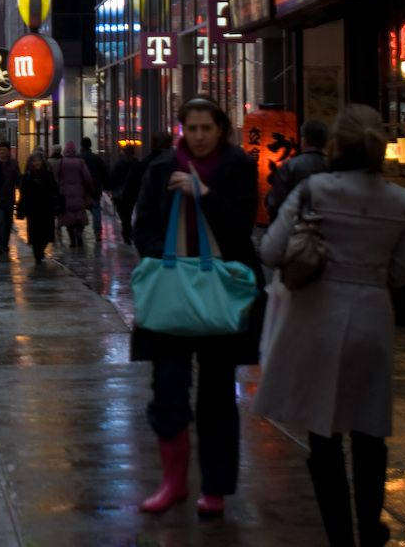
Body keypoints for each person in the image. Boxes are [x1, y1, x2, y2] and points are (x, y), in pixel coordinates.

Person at [255, 105, 405, 547]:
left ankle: (339, 536)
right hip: (373, 318)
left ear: (335, 144)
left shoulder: (313, 191)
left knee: (324, 435)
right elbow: (403, 274)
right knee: (370, 431)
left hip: (317, 317)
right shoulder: (403, 201)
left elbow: (271, 251)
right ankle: (370, 527)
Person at [132, 96, 264, 521]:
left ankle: (215, 487)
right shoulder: (160, 168)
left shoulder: (239, 167)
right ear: (182, 131)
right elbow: (143, 225)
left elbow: (241, 228)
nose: (200, 136)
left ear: (221, 130)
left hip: (217, 294)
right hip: (172, 292)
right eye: (193, 129)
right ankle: (173, 482)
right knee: (168, 390)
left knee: (217, 395)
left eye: (208, 128)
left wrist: (204, 193)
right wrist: (161, 256)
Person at [265, 119, 330, 223]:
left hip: (295, 227)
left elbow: (276, 202)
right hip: (326, 227)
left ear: (303, 140)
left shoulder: (289, 166)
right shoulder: (332, 166)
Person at [18, 151, 59, 264]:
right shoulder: (27, 176)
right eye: (34, 161)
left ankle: (40, 251)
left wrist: (56, 204)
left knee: (46, 233)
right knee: (35, 233)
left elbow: (54, 190)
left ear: (42, 162)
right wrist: (22, 207)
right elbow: (24, 193)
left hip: (46, 208)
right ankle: (37, 254)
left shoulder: (48, 174)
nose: (36, 163)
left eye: (38, 160)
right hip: (33, 209)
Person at [57, 142, 94, 248]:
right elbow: (87, 177)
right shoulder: (80, 162)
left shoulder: (62, 162)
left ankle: (72, 239)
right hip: (79, 192)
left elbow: (58, 177)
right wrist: (89, 188)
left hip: (66, 192)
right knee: (79, 214)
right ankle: (79, 233)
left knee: (68, 216)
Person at [0, 142, 22, 256]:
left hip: (9, 198)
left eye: (4, 150)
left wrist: (21, 192)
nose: (2, 152)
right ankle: (0, 244)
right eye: (0, 150)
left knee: (7, 223)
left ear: (8, 151)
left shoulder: (13, 164)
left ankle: (5, 244)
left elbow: (18, 180)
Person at [82, 137, 112, 240]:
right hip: (95, 188)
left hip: (82, 189)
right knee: (96, 210)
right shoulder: (96, 158)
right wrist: (107, 186)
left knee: (81, 210)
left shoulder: (79, 158)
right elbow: (104, 172)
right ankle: (98, 232)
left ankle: (79, 231)